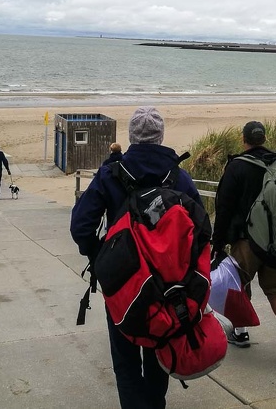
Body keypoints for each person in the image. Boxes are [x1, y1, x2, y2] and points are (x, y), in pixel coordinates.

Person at [70, 106, 205, 409]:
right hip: (168, 284)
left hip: (123, 283)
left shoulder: (110, 173)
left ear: (131, 136)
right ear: (160, 138)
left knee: (126, 359)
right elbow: (202, 229)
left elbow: (80, 226)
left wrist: (100, 255)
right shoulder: (178, 178)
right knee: (159, 346)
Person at [212, 120, 276, 361]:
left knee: (239, 284)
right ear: (263, 138)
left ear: (244, 139)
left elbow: (224, 209)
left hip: (246, 240)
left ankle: (240, 333)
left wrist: (217, 243)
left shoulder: (237, 167)